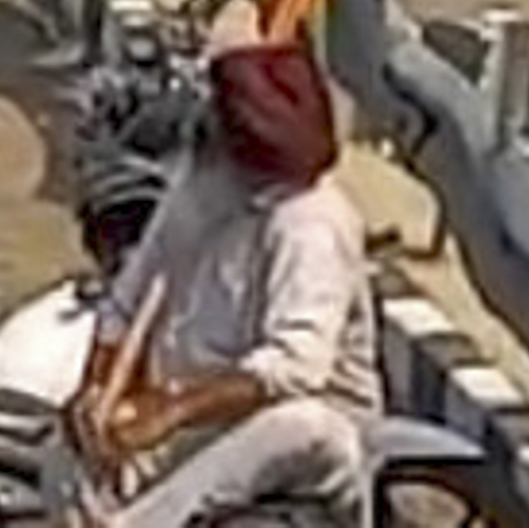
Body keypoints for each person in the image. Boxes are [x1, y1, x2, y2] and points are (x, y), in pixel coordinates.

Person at [70, 40, 383, 525]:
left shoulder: (309, 222)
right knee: (62, 450)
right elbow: (127, 302)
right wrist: (95, 389)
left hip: (276, 431)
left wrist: (171, 411)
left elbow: (295, 367)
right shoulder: (202, 182)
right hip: (188, 420)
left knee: (303, 424)